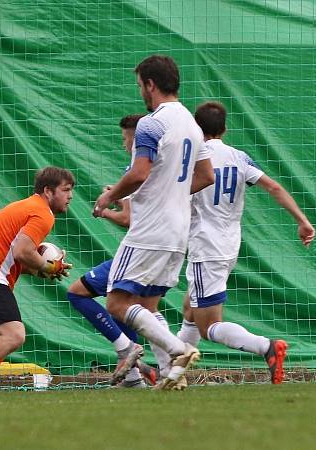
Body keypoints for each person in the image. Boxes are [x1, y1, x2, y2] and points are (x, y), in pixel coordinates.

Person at [93, 54, 215, 390]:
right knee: (148, 305)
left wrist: (108, 197)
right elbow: (206, 176)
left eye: (140, 86)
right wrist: (172, 191)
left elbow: (139, 173)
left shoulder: (151, 122)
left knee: (116, 302)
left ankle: (179, 349)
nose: (141, 93)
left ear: (150, 84)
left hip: (150, 228)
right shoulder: (192, 124)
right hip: (178, 231)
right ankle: (170, 374)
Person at [175, 101, 316, 384]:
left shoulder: (194, 159)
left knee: (209, 326)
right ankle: (173, 371)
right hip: (229, 246)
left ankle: (266, 347)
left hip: (205, 247)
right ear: (225, 129)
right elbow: (274, 187)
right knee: (190, 308)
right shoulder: (240, 157)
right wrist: (302, 220)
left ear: (196, 128)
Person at [0, 167, 74, 392]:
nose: (70, 196)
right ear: (48, 191)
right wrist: (49, 265)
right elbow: (23, 252)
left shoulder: (26, 207)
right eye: (65, 190)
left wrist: (42, 270)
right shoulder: (42, 213)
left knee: (12, 334)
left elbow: (15, 258)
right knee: (14, 335)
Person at [66, 114, 157, 388]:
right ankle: (136, 376)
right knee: (134, 308)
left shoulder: (136, 169)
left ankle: (137, 352)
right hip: (162, 248)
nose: (124, 144)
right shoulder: (160, 165)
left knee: (76, 292)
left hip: (138, 249)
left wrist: (105, 211)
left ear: (136, 137)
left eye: (125, 138)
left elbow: (128, 219)